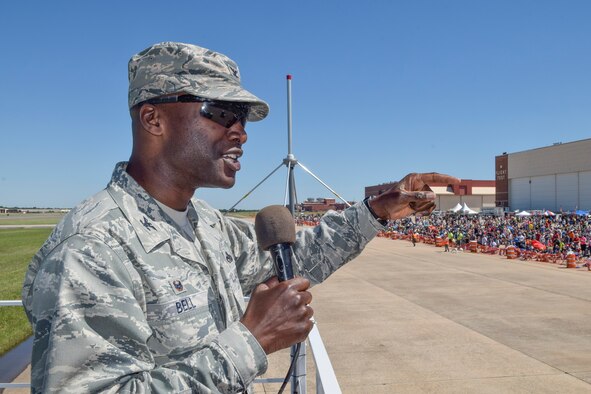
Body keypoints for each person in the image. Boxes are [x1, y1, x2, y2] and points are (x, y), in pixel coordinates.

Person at [21, 41, 459, 393]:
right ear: (153, 119)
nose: (242, 132)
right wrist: (251, 341)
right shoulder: (91, 247)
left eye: (243, 117)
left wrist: (377, 210)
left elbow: (292, 264)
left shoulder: (206, 225)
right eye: (222, 113)